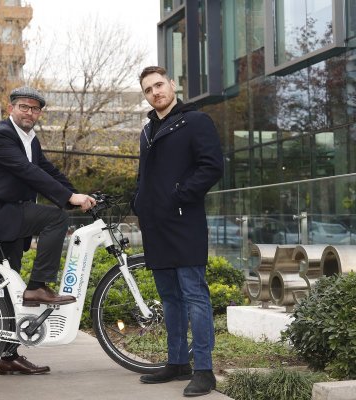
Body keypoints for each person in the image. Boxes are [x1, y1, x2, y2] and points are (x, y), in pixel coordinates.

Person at [0, 86, 96, 376]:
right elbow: (28, 172)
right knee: (55, 218)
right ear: (11, 108)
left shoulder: (29, 139)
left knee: (7, 288)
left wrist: (78, 193)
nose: (30, 112)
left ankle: (9, 357)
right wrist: (67, 200)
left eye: (35, 109)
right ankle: (39, 286)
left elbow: (46, 170)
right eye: (24, 106)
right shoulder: (1, 135)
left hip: (7, 218)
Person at [131, 66, 224, 397]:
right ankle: (176, 362)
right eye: (148, 89)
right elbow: (146, 176)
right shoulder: (147, 131)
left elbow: (212, 167)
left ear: (172, 84)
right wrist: (139, 201)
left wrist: (179, 194)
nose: (155, 92)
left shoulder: (195, 121)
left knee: (194, 295)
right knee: (170, 298)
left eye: (159, 85)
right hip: (156, 226)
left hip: (185, 222)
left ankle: (203, 369)